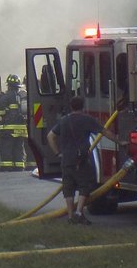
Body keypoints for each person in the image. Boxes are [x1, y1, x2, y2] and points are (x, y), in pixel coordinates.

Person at [46, 96, 120, 224]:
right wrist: (119, 141)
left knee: (68, 188)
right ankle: (79, 213)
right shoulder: (87, 120)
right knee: (85, 185)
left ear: (71, 106)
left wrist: (58, 153)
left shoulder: (64, 121)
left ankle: (70, 216)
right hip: (81, 160)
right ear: (83, 106)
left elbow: (50, 136)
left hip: (66, 159)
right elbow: (104, 132)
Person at [0, 74, 29, 172]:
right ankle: (19, 166)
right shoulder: (23, 96)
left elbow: (2, 114)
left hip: (8, 129)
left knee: (6, 147)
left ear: (8, 85)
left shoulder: (5, 97)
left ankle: (7, 166)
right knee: (19, 147)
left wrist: (0, 99)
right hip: (22, 128)